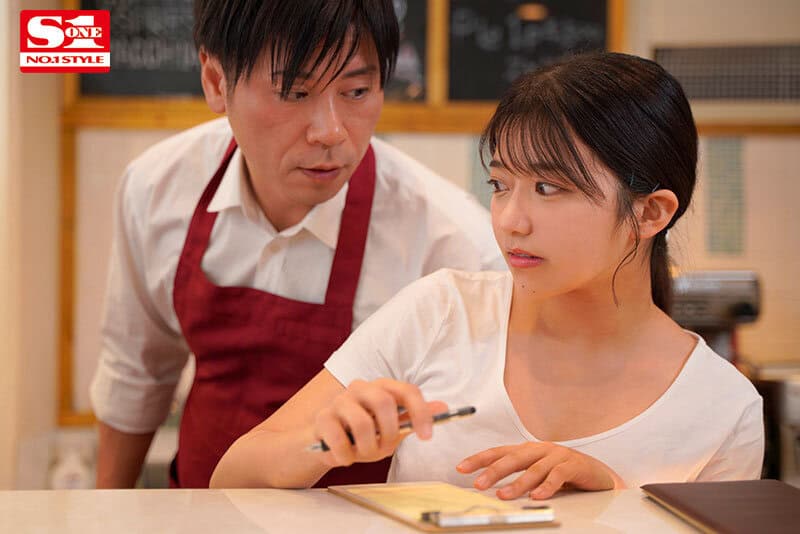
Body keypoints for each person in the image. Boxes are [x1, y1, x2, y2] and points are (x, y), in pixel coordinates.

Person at [209, 52, 765, 498]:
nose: (510, 220)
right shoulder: (441, 311)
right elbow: (231, 479)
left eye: (548, 188)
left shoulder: (723, 409)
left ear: (650, 213)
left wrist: (617, 501)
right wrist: (324, 444)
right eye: (500, 185)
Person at [90, 0, 504, 490]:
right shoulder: (159, 187)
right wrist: (106, 513)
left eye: (356, 91)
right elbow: (136, 375)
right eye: (293, 91)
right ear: (216, 81)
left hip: (360, 521)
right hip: (194, 511)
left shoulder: (454, 244)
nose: (330, 132)